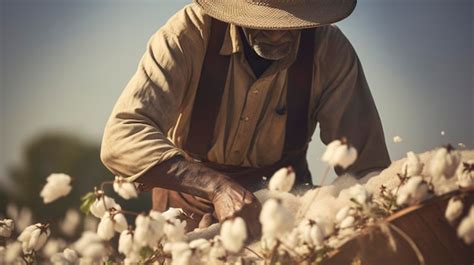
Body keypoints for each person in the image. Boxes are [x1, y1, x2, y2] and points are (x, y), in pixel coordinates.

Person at [100, 0, 391, 238]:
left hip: (286, 220)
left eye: (290, 21)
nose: (277, 33)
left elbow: (368, 168)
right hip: (183, 222)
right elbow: (122, 136)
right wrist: (217, 187)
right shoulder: (188, 35)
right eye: (265, 21)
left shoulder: (329, 51)